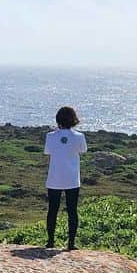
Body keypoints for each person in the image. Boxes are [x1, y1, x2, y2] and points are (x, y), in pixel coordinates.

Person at [43, 105, 87, 250]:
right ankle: (71, 243)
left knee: (52, 210)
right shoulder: (79, 137)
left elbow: (48, 151)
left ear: (58, 119)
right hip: (72, 178)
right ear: (74, 119)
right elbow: (83, 150)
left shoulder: (50, 136)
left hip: (54, 177)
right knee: (72, 211)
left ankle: (50, 241)